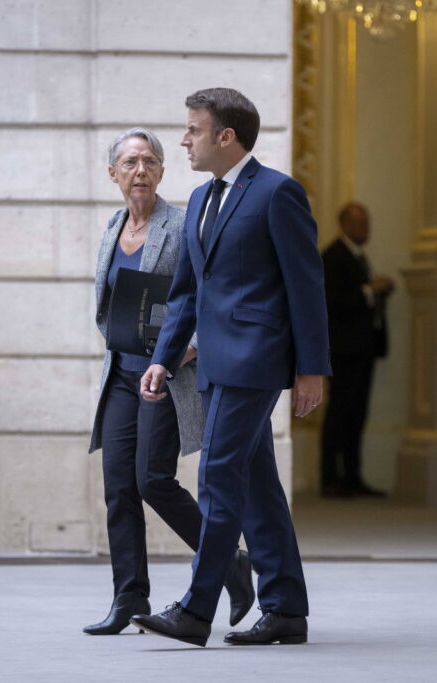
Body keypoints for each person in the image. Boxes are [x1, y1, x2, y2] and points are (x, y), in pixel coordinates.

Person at [131, 88, 331, 647]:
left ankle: (196, 611)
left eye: (193, 130)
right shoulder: (199, 199)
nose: (184, 140)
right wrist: (163, 359)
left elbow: (305, 285)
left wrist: (311, 368)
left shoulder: (277, 192)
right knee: (258, 485)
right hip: (214, 365)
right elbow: (186, 292)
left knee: (218, 476)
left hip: (257, 360)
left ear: (226, 136)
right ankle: (286, 610)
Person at [84, 128, 253, 636]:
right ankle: (129, 596)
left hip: (167, 374)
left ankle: (228, 561)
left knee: (152, 479)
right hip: (121, 374)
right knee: (119, 487)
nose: (140, 171)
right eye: (130, 163)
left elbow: (210, 295)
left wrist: (190, 345)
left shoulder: (181, 226)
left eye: (150, 161)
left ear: (161, 171)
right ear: (112, 174)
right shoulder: (113, 226)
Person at [320, 201, 393, 498]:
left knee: (357, 414)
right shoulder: (333, 256)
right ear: (344, 224)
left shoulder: (358, 256)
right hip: (343, 349)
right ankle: (330, 477)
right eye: (360, 223)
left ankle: (352, 476)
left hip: (362, 348)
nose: (366, 229)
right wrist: (369, 290)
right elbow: (333, 301)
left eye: (367, 222)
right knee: (339, 412)